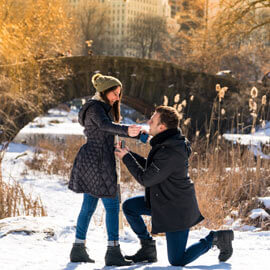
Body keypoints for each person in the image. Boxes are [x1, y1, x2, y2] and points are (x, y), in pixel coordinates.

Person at [115, 105, 234, 266]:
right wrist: (129, 154)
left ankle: (215, 238)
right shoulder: (166, 143)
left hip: (177, 210)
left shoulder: (170, 151)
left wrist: (126, 158)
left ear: (162, 127)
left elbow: (146, 179)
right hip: (163, 202)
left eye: (153, 120)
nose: (148, 122)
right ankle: (147, 247)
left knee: (177, 260)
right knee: (130, 207)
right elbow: (153, 169)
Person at [68, 73, 141, 266]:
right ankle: (113, 251)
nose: (118, 97)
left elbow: (106, 129)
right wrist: (127, 130)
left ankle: (78, 249)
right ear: (104, 91)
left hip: (95, 159)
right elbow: (104, 126)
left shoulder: (101, 107)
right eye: (115, 93)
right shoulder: (95, 108)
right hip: (98, 161)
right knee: (112, 205)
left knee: (89, 206)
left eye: (119, 93)